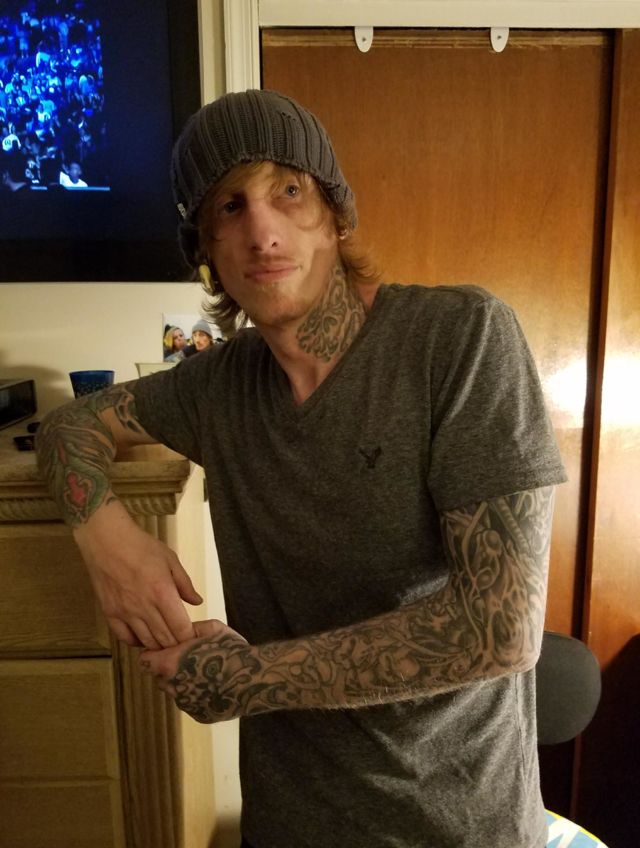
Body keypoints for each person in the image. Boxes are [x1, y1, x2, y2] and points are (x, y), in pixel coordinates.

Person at [36, 89, 567, 848]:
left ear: (335, 214)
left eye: (289, 191)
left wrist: (244, 681)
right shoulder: (216, 388)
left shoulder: (459, 338)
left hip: (458, 825)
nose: (263, 231)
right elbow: (67, 427)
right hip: (290, 825)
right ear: (205, 249)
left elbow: (500, 628)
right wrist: (110, 543)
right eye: (230, 207)